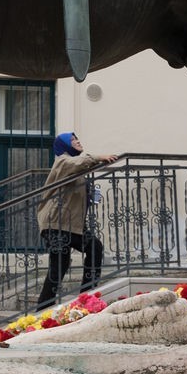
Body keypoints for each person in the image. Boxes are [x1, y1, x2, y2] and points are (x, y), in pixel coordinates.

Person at [34, 132, 117, 309]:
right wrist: (99, 157)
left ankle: (86, 296)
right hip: (55, 223)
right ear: (64, 145)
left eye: (77, 138)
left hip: (72, 225)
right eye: (72, 140)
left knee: (94, 247)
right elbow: (77, 162)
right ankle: (43, 307)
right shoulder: (63, 161)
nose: (77, 141)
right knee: (59, 265)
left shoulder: (74, 167)